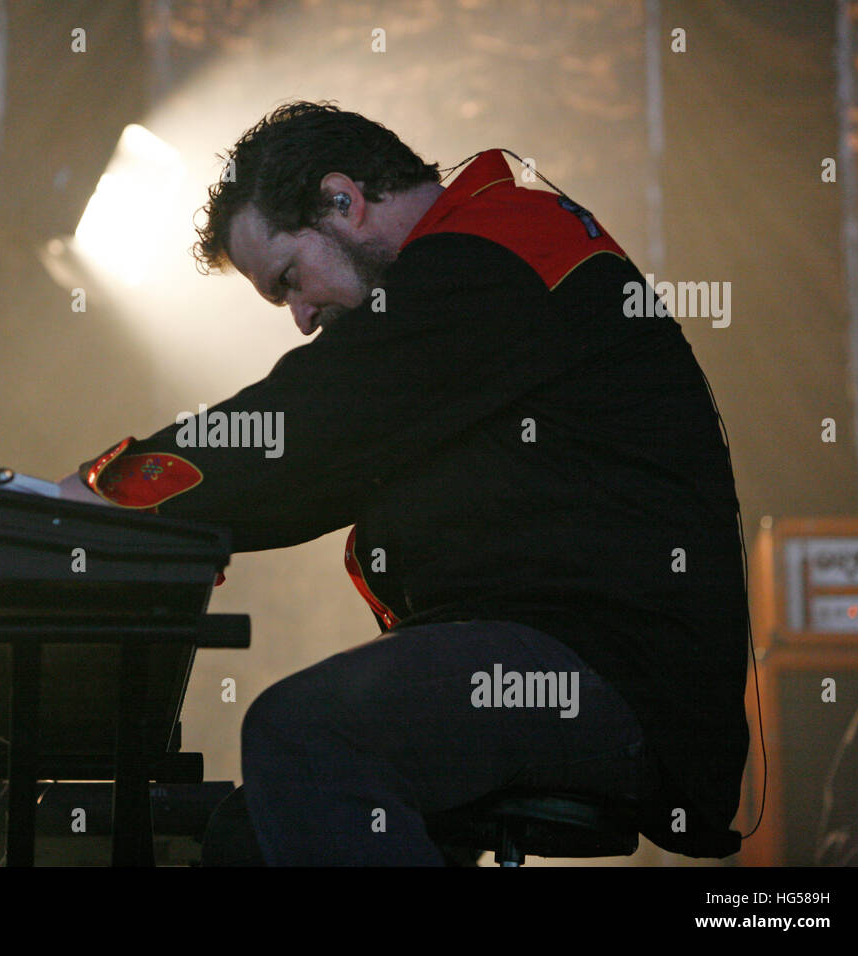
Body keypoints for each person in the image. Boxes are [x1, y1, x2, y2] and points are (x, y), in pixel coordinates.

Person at [58, 101, 750, 865]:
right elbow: (317, 470)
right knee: (249, 839)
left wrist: (114, 494)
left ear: (342, 201)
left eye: (290, 278)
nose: (300, 316)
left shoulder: (498, 249)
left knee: (307, 731)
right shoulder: (470, 274)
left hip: (614, 671)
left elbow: (312, 424)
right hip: (567, 659)